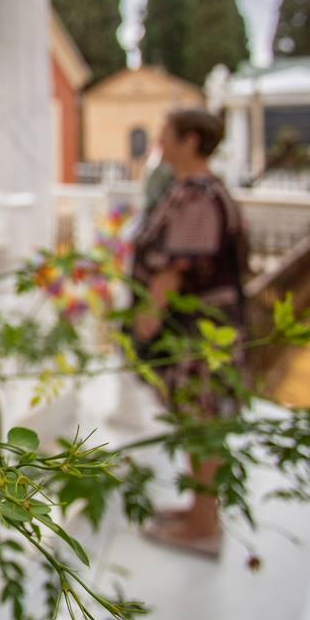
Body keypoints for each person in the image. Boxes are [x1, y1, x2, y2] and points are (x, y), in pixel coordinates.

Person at [129, 108, 247, 557]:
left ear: (191, 140)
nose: (160, 140)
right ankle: (199, 509)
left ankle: (203, 522)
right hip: (196, 330)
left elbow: (178, 265)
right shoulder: (190, 190)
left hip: (200, 332)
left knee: (201, 417)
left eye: (168, 134)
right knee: (196, 417)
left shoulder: (198, 195)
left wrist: (148, 318)